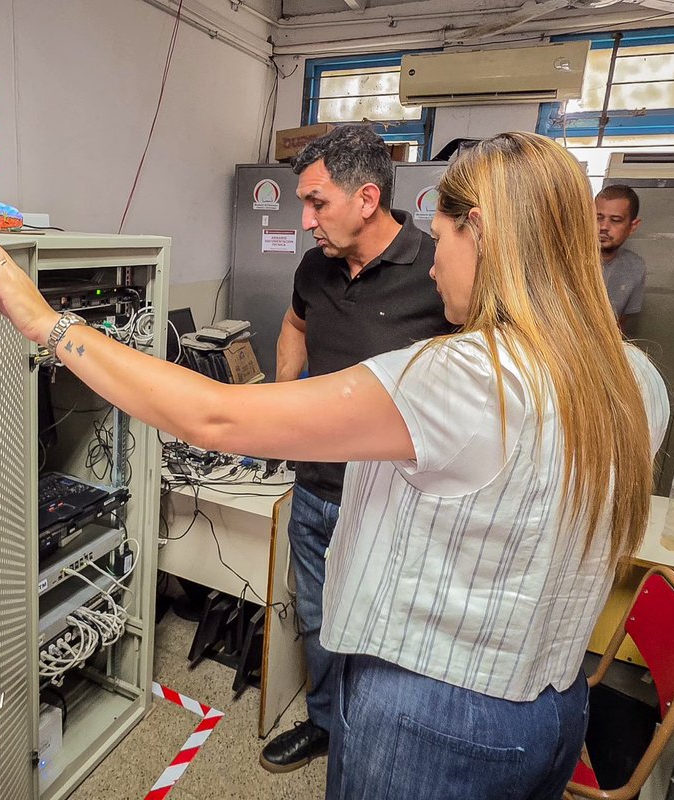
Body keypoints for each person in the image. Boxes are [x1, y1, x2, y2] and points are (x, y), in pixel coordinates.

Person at [0, 130, 669, 800]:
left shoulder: (467, 377)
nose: (440, 257)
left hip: (431, 716)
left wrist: (49, 324)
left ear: (479, 229)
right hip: (551, 711)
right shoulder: (633, 378)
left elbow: (216, 415)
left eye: (446, 235)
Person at [269, 124, 451, 773]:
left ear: (367, 198)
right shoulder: (314, 267)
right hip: (317, 488)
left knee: (387, 628)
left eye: (317, 202)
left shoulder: (436, 268)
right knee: (319, 618)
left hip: (397, 500)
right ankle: (324, 723)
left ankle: (372, 741)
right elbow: (295, 323)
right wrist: (282, 397)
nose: (306, 217)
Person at [596, 184, 646, 330]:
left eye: (615, 220)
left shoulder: (635, 267)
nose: (604, 227)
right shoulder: (563, 258)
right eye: (598, 218)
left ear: (633, 226)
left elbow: (619, 325)